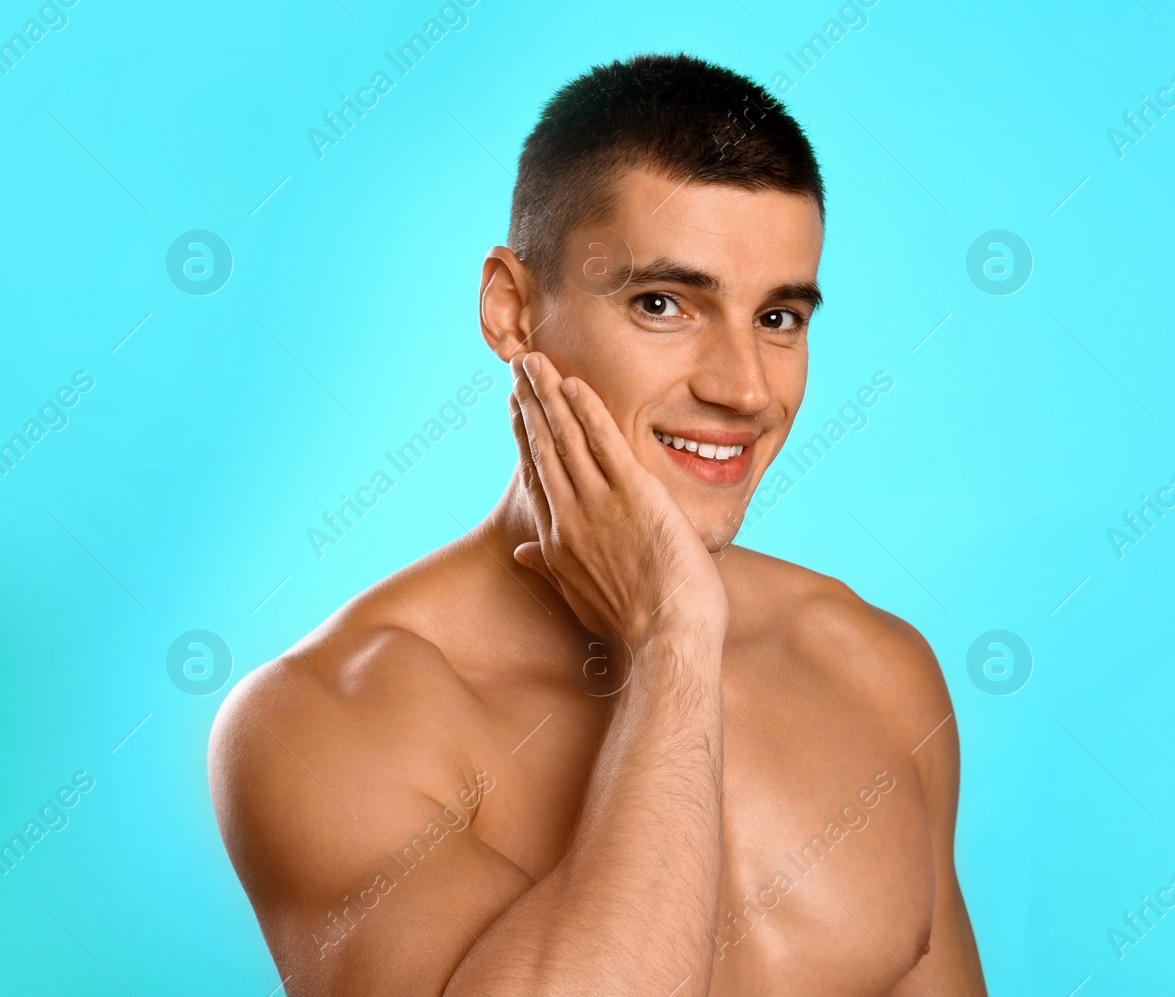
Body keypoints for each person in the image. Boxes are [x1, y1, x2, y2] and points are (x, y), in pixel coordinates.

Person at [209, 52, 985, 996]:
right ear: (512, 310)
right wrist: (673, 642)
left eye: (779, 317)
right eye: (664, 303)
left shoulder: (876, 670)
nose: (743, 388)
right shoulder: (327, 722)